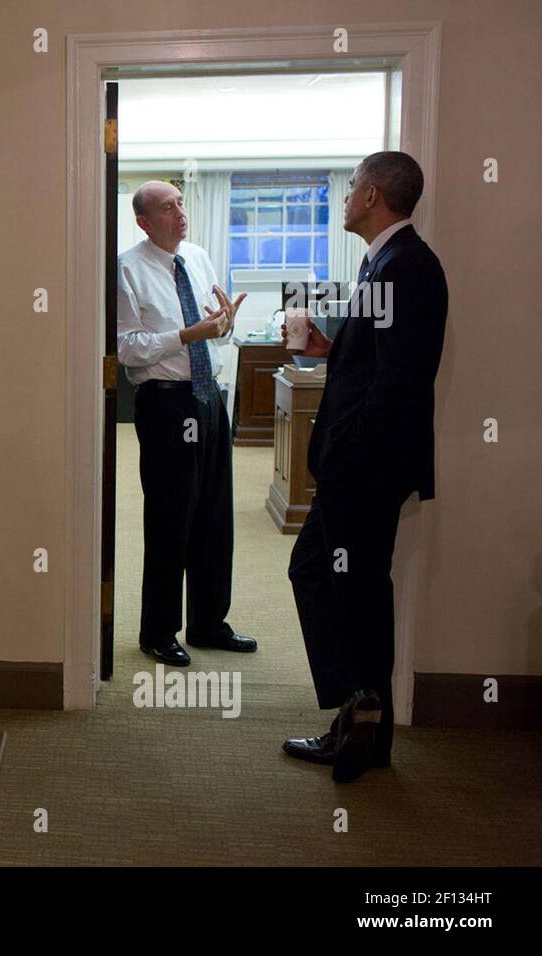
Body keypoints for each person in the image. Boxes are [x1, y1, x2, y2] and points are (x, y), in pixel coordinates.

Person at [281, 151, 448, 783]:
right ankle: (362, 726)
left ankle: (361, 722)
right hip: (363, 469)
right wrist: (333, 349)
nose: (346, 196)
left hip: (366, 472)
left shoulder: (406, 266)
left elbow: (400, 386)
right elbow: (377, 363)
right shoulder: (385, 262)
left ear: (373, 195)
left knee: (350, 591)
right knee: (349, 589)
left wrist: (349, 456)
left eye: (352, 186)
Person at [117, 180, 257, 666]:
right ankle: (158, 631)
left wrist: (224, 324)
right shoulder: (127, 269)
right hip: (165, 404)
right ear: (143, 221)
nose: (180, 213)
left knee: (214, 515)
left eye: (181, 203)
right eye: (167, 207)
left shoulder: (196, 257)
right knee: (170, 517)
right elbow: (127, 347)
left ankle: (207, 622)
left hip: (208, 397)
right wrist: (187, 334)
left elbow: (214, 329)